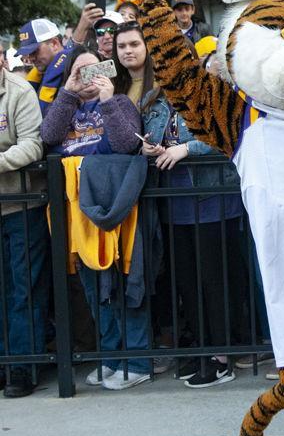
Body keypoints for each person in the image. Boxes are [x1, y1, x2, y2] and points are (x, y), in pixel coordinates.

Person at [40, 47, 150, 389]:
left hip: (115, 210)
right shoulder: (67, 103)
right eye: (80, 70)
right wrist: (69, 92)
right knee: (94, 291)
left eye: (95, 69)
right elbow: (48, 137)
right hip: (78, 213)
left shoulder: (121, 103)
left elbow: (124, 144)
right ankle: (111, 359)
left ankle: (136, 361)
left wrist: (106, 99)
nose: (88, 76)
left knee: (124, 287)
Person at [140, 86, 249, 388]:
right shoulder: (153, 101)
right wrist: (149, 148)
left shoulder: (209, 94)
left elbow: (227, 135)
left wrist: (186, 149)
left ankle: (222, 356)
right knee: (187, 281)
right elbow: (149, 137)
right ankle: (204, 349)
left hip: (211, 198)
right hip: (173, 201)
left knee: (215, 279)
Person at [0, 63, 49, 398]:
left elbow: (33, 145)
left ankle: (22, 365)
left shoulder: (19, 91)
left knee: (24, 289)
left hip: (22, 205)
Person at [15, 18, 73, 116]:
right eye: (27, 53)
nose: (31, 58)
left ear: (54, 44)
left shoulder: (78, 66)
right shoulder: (39, 75)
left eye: (34, 51)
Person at [112, 21, 155, 106]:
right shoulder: (112, 86)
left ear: (147, 46)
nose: (128, 51)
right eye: (121, 46)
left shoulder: (163, 84)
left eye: (134, 44)